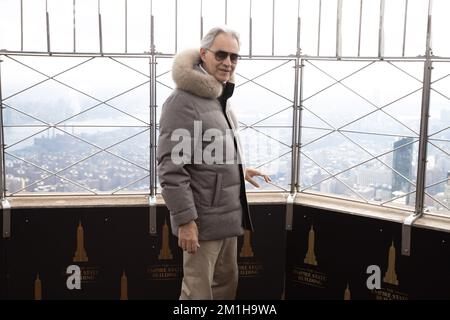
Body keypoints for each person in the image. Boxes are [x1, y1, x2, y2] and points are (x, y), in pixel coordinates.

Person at [157, 26, 271, 300]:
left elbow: (208, 152)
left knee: (224, 289)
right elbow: (171, 168)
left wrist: (238, 170)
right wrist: (185, 221)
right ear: (203, 54)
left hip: (227, 217)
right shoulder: (183, 101)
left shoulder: (220, 99)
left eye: (234, 56)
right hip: (203, 222)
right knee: (197, 294)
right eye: (221, 54)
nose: (228, 62)